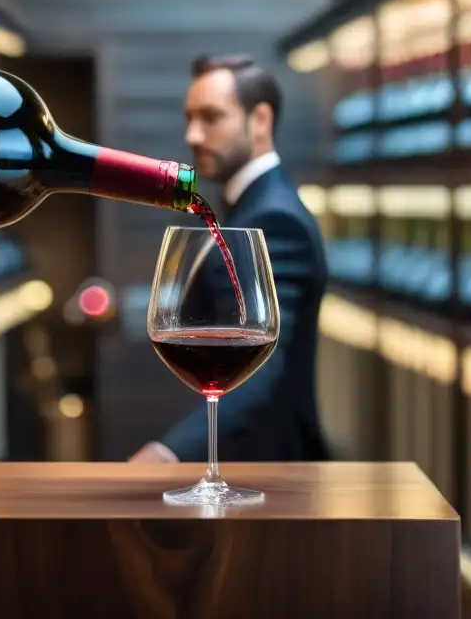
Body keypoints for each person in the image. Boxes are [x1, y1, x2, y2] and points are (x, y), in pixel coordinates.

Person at [129, 54, 330, 463]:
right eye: (189, 118)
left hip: (270, 469)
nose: (193, 135)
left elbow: (265, 361)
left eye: (211, 117)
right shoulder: (252, 205)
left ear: (260, 120)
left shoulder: (273, 218)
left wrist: (168, 453)